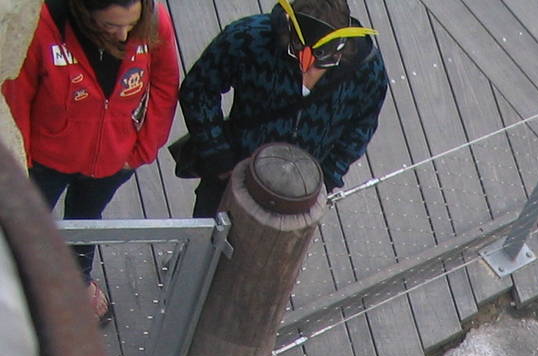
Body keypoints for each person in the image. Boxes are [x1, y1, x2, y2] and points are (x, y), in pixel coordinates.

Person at [2, 0, 179, 320]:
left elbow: (165, 84)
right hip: (45, 160)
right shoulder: (45, 26)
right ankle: (21, 287)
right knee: (25, 224)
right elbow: (18, 93)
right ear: (85, 14)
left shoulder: (153, 21)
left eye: (131, 24)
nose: (125, 35)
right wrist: (23, 160)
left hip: (112, 159)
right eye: (111, 26)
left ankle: (78, 279)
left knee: (86, 219)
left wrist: (142, 150)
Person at [178, 0, 387, 219]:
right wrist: (218, 155)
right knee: (204, 248)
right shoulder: (249, 38)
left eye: (321, 58)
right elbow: (198, 89)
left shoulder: (367, 69)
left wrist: (326, 178)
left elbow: (362, 127)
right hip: (230, 177)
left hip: (301, 197)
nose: (306, 68)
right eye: (297, 51)